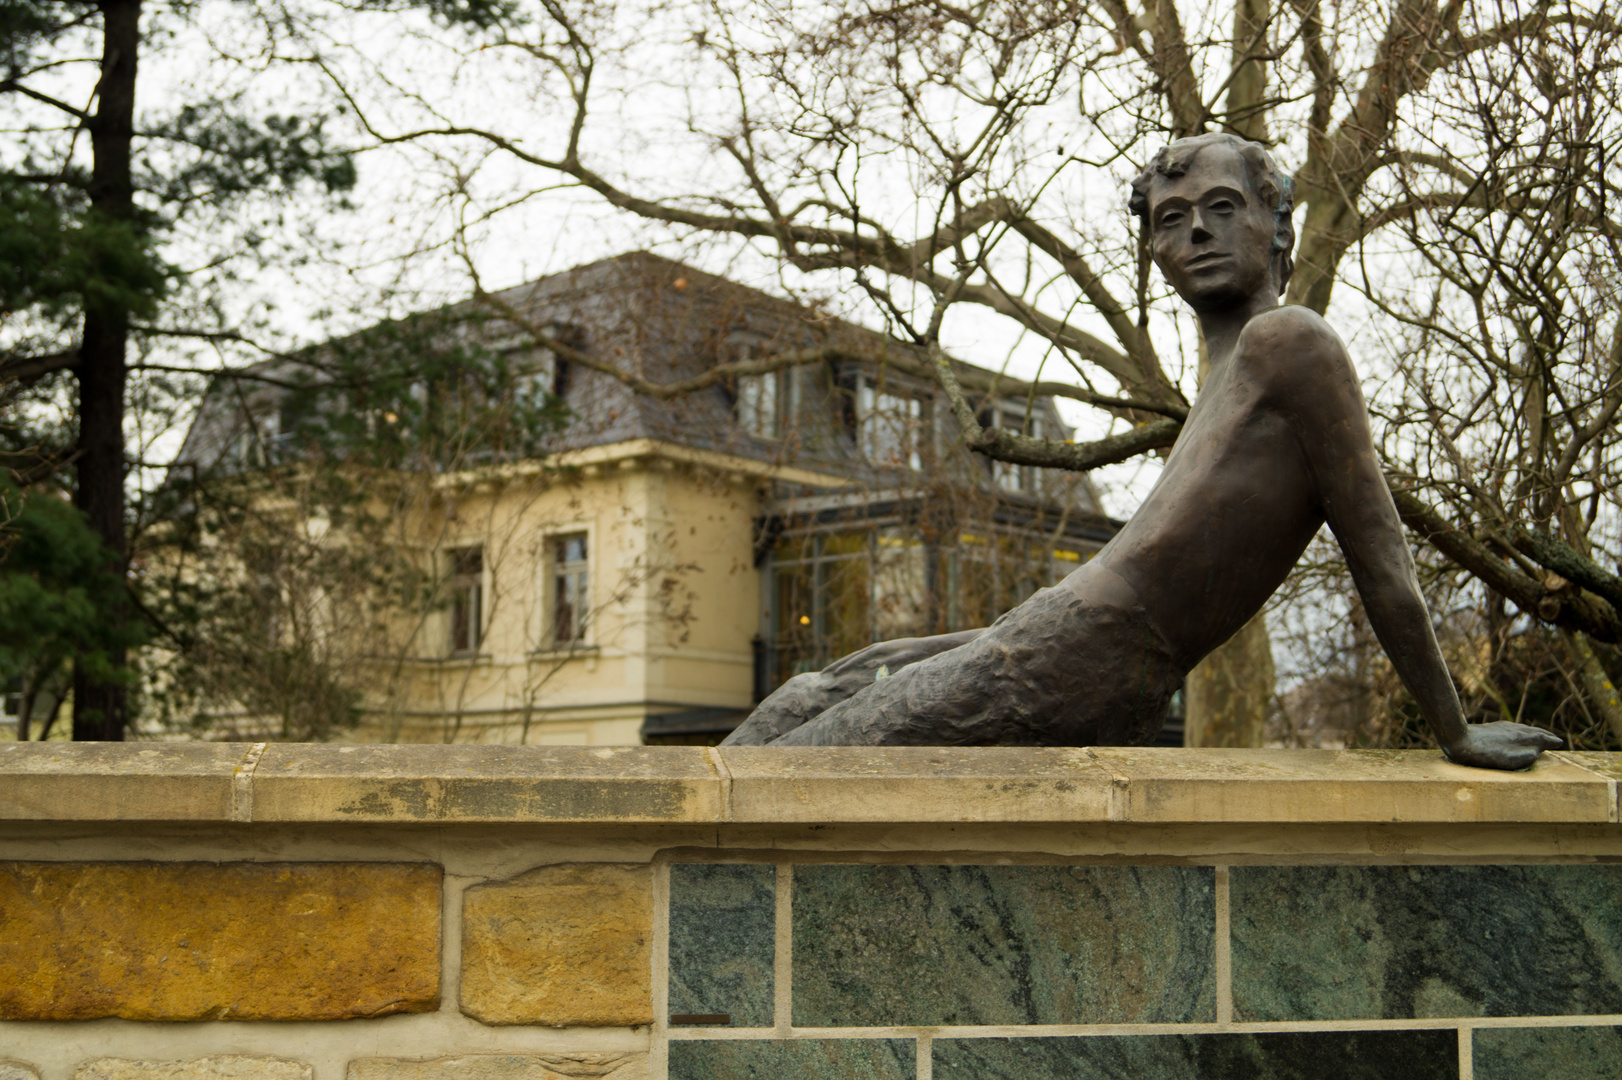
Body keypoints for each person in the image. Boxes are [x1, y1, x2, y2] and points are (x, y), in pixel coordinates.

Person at [723, 133, 1562, 771]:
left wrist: (1453, 730)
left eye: (1222, 207)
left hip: (1090, 654)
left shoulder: (1291, 344)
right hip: (1056, 632)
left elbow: (1382, 556)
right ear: (1156, 251)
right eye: (1172, 220)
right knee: (818, 687)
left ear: (1278, 222)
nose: (1196, 230)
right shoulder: (1225, 366)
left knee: (816, 749)